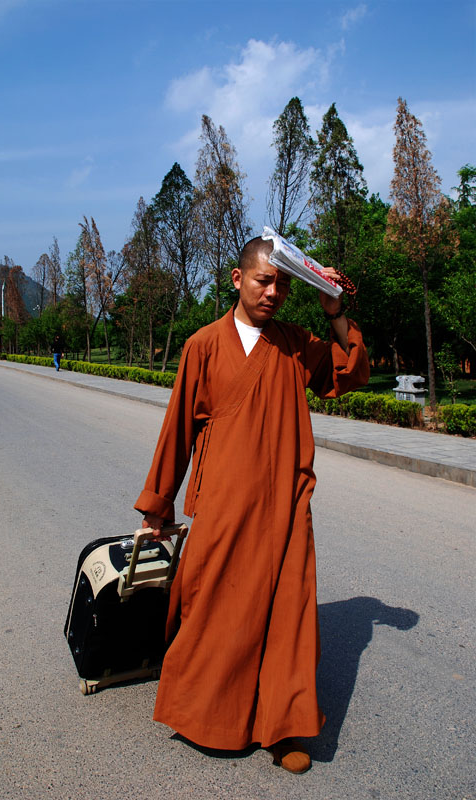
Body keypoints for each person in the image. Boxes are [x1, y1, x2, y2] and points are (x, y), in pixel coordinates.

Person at [134, 236, 369, 774]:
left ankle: (283, 728)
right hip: (222, 502)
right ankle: (207, 715)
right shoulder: (204, 344)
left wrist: (334, 308)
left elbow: (349, 372)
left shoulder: (294, 343)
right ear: (238, 280)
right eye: (264, 280)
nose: (274, 292)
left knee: (287, 618)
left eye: (283, 283)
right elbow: (177, 431)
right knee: (216, 609)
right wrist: (158, 507)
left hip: (286, 503)